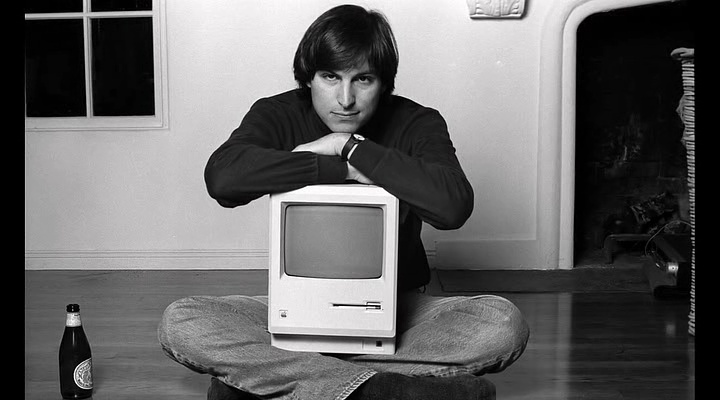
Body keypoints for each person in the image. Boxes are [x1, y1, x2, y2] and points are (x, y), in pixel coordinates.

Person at [158, 4, 529, 400]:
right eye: (330, 77)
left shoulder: (417, 122)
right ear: (308, 77)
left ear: (383, 83)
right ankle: (380, 389)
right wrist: (338, 166)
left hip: (396, 312)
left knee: (502, 325)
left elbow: (453, 207)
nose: (346, 99)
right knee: (181, 321)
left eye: (363, 79)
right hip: (296, 311)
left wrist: (350, 147)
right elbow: (223, 179)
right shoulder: (277, 114)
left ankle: (277, 378)